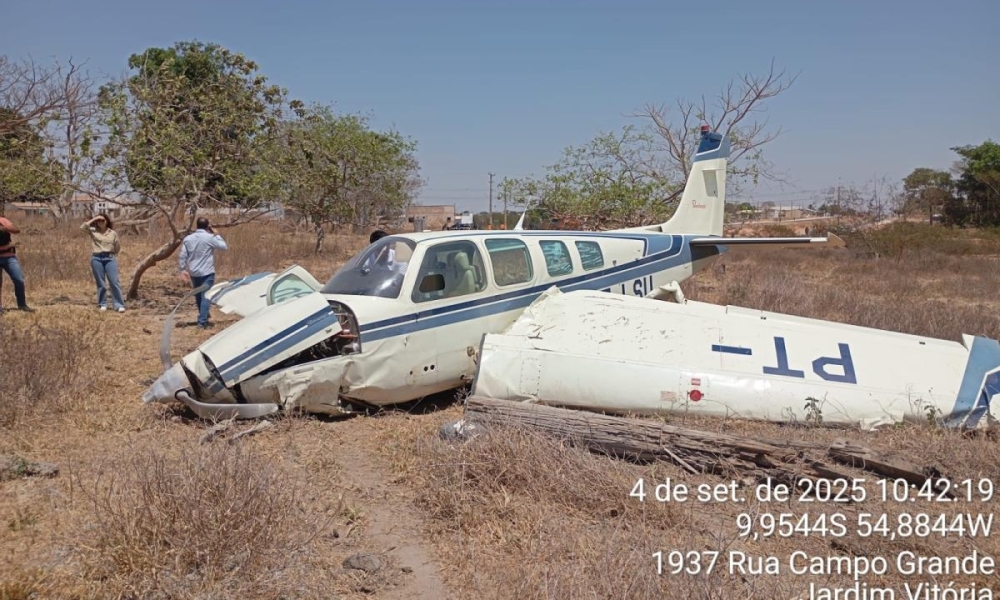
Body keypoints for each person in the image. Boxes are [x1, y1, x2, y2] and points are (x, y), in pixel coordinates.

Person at [178, 217, 228, 328]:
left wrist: (182, 270)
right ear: (207, 226)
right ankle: (202, 322)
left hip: (194, 272)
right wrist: (217, 234)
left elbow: (182, 255)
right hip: (207, 272)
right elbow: (224, 247)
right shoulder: (210, 238)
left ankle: (203, 315)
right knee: (206, 296)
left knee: (198, 296)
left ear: (197, 225)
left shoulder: (188, 238)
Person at [81, 213, 126, 312]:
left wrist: (113, 255)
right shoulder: (93, 231)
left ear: (107, 221)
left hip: (110, 258)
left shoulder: (112, 233)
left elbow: (117, 247)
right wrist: (95, 218)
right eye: (99, 221)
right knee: (101, 283)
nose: (100, 222)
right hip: (97, 258)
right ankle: (102, 303)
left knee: (114, 282)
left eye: (103, 220)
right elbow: (83, 227)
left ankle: (118, 304)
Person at [0, 215, 34, 313]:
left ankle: (22, 305)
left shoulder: (2, 220)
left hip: (8, 256)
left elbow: (16, 230)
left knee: (18, 279)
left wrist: (6, 228)